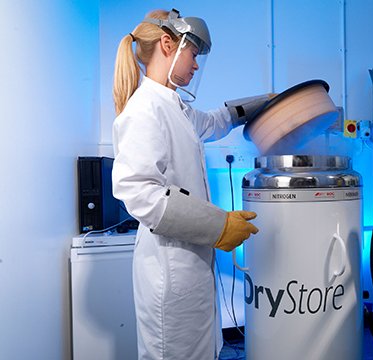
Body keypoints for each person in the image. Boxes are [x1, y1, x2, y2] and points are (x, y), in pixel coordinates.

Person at [111, 9, 266, 360]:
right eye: (193, 54)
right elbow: (139, 193)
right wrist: (219, 225)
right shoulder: (144, 109)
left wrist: (263, 103)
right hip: (170, 273)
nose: (196, 66)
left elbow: (214, 122)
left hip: (190, 269)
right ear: (169, 44)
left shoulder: (173, 106)